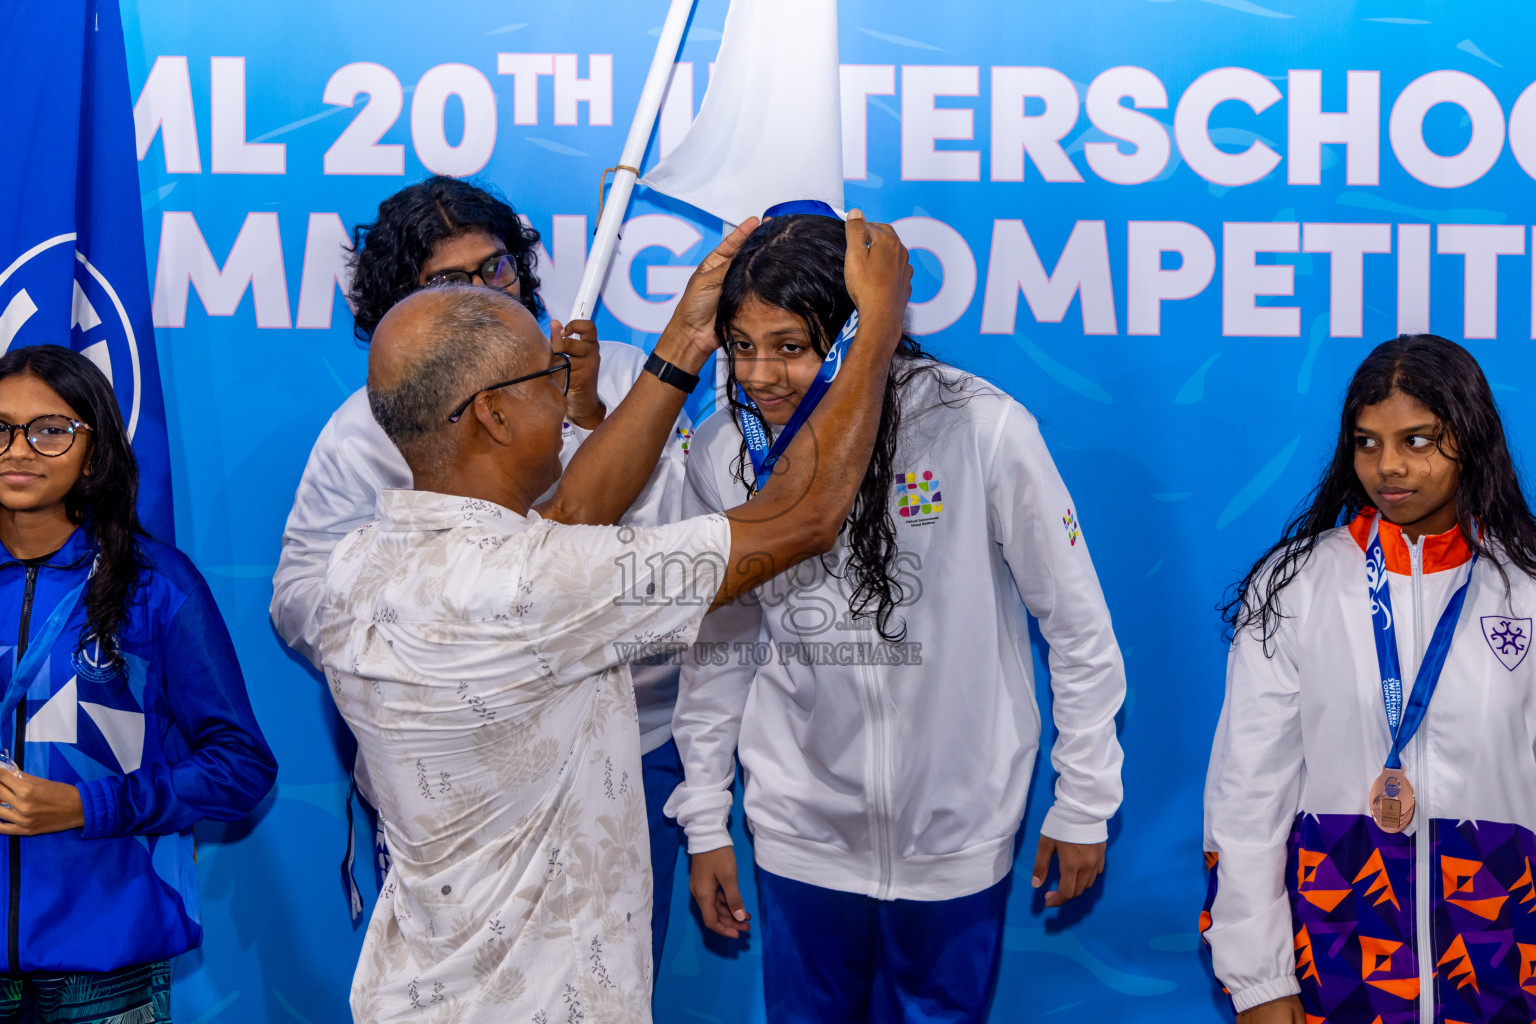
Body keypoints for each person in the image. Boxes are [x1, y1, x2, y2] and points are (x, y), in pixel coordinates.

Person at [317, 211, 910, 1023]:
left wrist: (683, 346)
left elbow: (577, 508)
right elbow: (803, 517)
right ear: (492, 415)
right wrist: (873, 326)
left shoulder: (359, 565)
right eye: (546, 378)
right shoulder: (545, 587)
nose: (566, 390)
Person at [666, 210, 1126, 1024]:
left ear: (852, 334)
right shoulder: (723, 454)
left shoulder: (977, 426)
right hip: (799, 833)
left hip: (958, 835)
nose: (761, 375)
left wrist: (1084, 800)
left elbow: (1078, 628)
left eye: (790, 346)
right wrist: (705, 818)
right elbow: (722, 648)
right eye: (741, 345)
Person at [270, 176, 693, 966]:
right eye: (448, 282)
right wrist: (435, 617)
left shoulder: (625, 375)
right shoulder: (370, 424)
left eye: (493, 268)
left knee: (608, 984)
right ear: (400, 300)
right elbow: (297, 597)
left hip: (629, 746)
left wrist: (592, 419)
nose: (483, 291)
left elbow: (675, 552)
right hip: (449, 766)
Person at [1203, 335, 1536, 1024]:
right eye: (1366, 441)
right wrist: (1260, 981)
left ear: (1470, 439)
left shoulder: (1524, 587)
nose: (1388, 466)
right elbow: (1247, 797)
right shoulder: (1294, 584)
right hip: (1340, 951)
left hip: (1506, 952)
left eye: (1418, 441)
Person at [0, 346, 276, 1022]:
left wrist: (85, 807)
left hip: (102, 962)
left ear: (94, 454)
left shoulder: (156, 585)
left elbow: (241, 768)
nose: (19, 449)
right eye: (0, 428)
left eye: (51, 429)